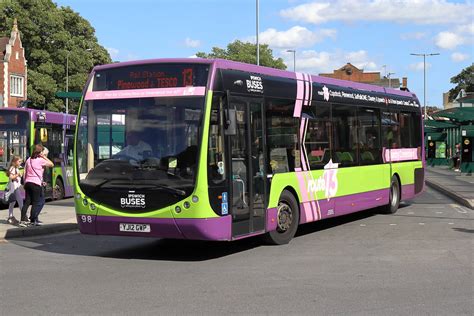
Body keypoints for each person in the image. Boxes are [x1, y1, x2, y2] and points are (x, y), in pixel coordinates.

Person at [19, 144, 54, 227]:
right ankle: (32, 220)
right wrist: (44, 157)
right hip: (35, 184)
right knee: (35, 203)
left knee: (27, 202)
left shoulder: (28, 160)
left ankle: (22, 220)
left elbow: (25, 172)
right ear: (40, 152)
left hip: (28, 183)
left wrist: (24, 183)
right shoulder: (40, 160)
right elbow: (51, 164)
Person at [6, 156, 23, 225]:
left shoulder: (15, 168)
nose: (20, 163)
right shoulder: (13, 168)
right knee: (20, 202)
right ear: (15, 161)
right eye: (19, 161)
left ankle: (10, 216)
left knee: (12, 203)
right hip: (14, 188)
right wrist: (18, 174)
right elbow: (11, 177)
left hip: (15, 187)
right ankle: (24, 217)